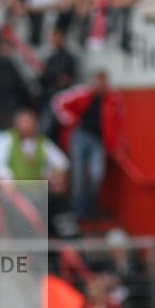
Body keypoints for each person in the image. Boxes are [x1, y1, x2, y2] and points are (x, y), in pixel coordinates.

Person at [52, 70, 126, 219]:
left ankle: (90, 209)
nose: (99, 86)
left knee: (96, 175)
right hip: (80, 136)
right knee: (78, 175)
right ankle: (78, 211)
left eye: (102, 82)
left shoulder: (112, 98)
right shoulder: (82, 93)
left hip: (98, 140)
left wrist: (117, 145)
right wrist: (70, 120)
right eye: (97, 82)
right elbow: (58, 102)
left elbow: (118, 122)